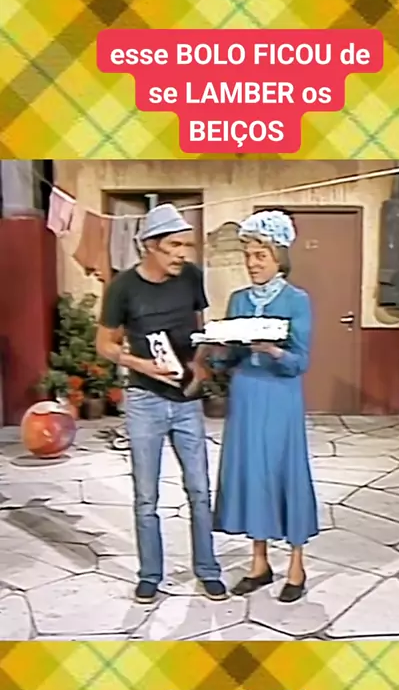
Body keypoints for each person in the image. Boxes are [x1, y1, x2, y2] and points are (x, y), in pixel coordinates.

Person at [96, 203, 226, 603]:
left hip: (186, 399)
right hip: (144, 400)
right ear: (150, 246)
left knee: (199, 489)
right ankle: (150, 575)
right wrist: (142, 365)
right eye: (174, 246)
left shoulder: (192, 277)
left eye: (186, 245)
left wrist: (200, 366)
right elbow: (104, 345)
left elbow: (200, 329)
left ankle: (208, 570)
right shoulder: (123, 287)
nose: (182, 253)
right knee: (146, 496)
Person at [212, 210, 319, 603]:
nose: (252, 263)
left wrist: (273, 350)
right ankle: (259, 563)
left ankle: (296, 566)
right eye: (249, 256)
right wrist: (215, 349)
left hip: (279, 395)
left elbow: (300, 361)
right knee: (253, 473)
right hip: (246, 394)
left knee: (283, 471)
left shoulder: (296, 300)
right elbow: (230, 356)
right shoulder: (239, 299)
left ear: (279, 257)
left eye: (260, 255)